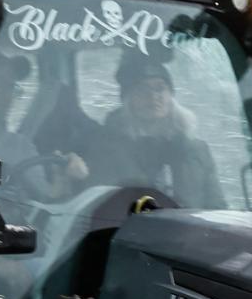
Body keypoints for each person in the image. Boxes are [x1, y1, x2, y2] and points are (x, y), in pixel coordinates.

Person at [88, 56, 223, 209]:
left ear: (170, 95)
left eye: (160, 88)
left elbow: (218, 208)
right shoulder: (107, 151)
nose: (153, 96)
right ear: (128, 99)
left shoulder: (197, 150)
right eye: (142, 89)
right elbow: (100, 207)